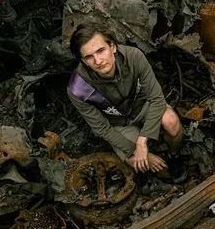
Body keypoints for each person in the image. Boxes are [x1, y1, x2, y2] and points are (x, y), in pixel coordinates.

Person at [67, 22, 186, 182]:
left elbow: (157, 99)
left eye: (101, 50)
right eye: (89, 57)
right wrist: (139, 153)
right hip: (118, 123)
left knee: (171, 122)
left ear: (112, 47)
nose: (98, 60)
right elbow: (103, 129)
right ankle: (156, 175)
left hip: (143, 107)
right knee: (135, 162)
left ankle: (175, 155)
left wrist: (143, 141)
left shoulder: (133, 57)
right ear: (83, 61)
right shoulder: (77, 88)